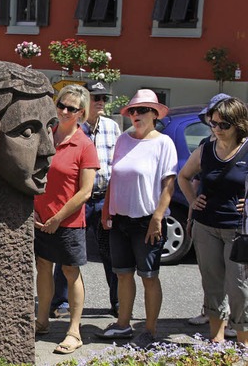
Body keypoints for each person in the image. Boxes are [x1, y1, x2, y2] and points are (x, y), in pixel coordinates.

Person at [97, 89, 177, 349]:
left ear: (154, 114)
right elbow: (114, 179)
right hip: (120, 218)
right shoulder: (123, 139)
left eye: (141, 110)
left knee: (149, 276)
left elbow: (169, 184)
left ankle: (150, 330)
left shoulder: (163, 143)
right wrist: (106, 210)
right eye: (132, 111)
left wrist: (158, 217)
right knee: (122, 274)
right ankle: (123, 324)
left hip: (146, 220)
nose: (135, 115)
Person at [34, 84, 100, 355]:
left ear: (81, 112)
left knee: (71, 272)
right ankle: (42, 321)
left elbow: (85, 191)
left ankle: (74, 330)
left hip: (68, 221)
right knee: (43, 267)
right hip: (40, 219)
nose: (63, 111)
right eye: (60, 105)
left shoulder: (84, 145)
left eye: (70, 108)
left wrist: (58, 217)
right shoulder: (45, 136)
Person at [177, 96, 248, 345]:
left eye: (223, 125)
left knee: (239, 288)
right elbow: (183, 176)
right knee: (212, 284)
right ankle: (216, 340)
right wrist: (192, 200)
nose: (216, 129)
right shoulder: (206, 148)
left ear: (238, 124)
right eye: (213, 123)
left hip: (239, 230)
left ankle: (243, 342)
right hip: (206, 226)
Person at [50, 80, 121, 319]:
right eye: (96, 98)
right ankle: (60, 302)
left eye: (104, 98)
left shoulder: (112, 127)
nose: (100, 102)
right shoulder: (69, 127)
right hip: (73, 201)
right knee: (65, 254)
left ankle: (117, 302)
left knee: (109, 253)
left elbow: (116, 166)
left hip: (101, 198)